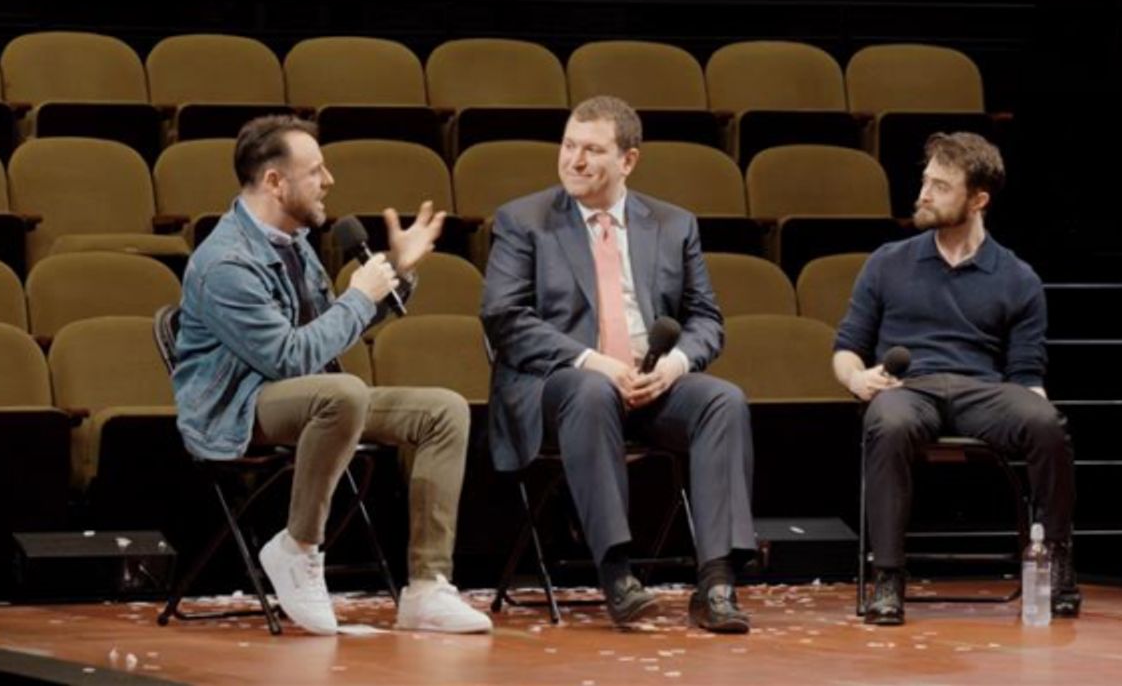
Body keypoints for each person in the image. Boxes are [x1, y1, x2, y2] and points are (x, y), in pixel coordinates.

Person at [171, 115, 491, 635]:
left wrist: (397, 272)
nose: (330, 181)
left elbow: (331, 332)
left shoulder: (293, 242)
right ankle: (297, 547)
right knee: (341, 393)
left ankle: (428, 586)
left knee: (443, 410)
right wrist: (359, 295)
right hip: (236, 408)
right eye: (316, 170)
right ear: (275, 182)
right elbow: (290, 357)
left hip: (317, 397)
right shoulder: (225, 262)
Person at [481, 96, 756, 633]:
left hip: (649, 385)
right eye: (568, 146)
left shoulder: (674, 224)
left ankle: (718, 582)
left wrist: (673, 366)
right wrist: (594, 363)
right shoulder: (524, 221)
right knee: (591, 390)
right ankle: (617, 574)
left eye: (592, 150)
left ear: (628, 160)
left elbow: (706, 320)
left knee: (724, 400)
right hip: (558, 388)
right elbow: (504, 319)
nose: (574, 161)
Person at [831, 132, 1080, 626]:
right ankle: (887, 577)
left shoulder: (1018, 278)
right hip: (909, 388)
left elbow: (1027, 376)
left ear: (978, 199)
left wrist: (1037, 415)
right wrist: (857, 380)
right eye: (925, 181)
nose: (924, 194)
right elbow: (846, 349)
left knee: (1048, 423)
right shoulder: (888, 261)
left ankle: (1053, 562)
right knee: (889, 423)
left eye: (941, 186)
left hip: (981, 390)